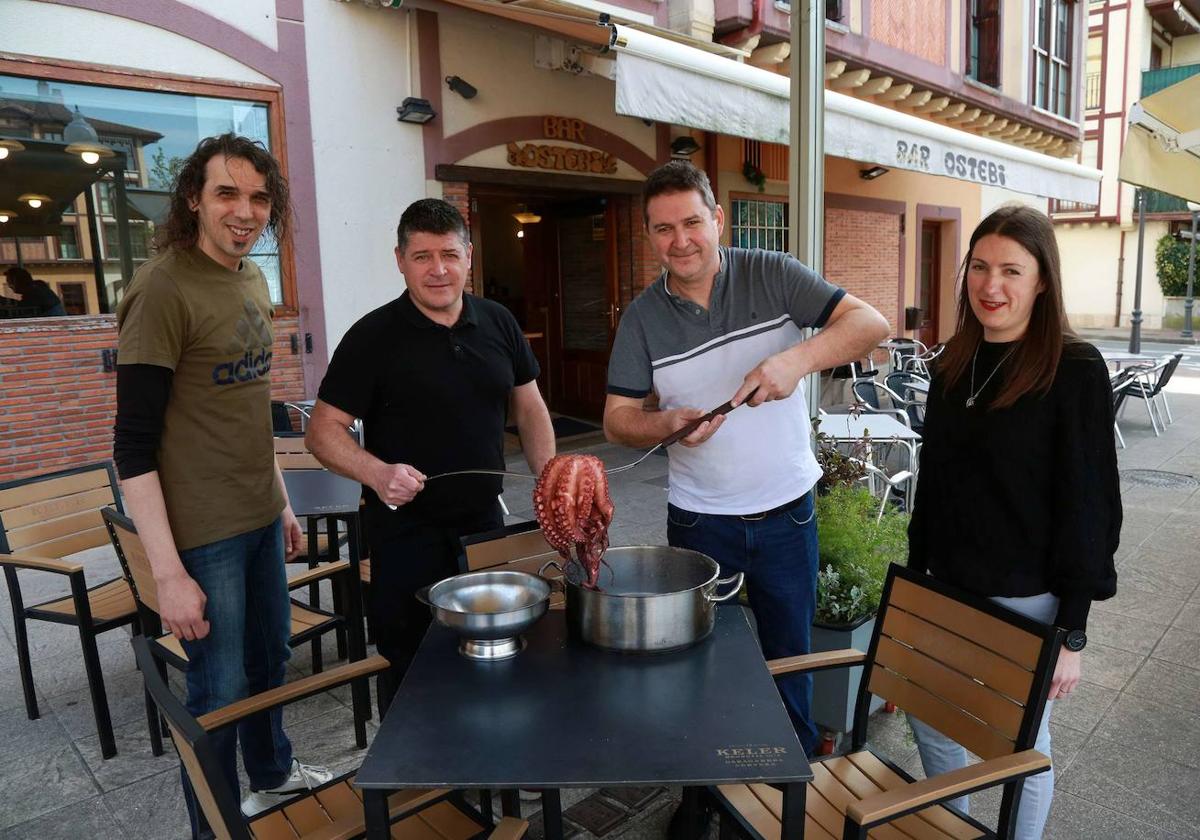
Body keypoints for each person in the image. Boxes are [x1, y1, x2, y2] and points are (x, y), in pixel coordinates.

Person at [603, 160, 890, 760]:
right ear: (649, 235)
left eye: (691, 222)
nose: (680, 240)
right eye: (662, 229)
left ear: (717, 219)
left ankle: (795, 773)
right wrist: (666, 425)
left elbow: (870, 323)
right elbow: (616, 420)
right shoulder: (641, 318)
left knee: (791, 659)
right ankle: (707, 788)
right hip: (698, 521)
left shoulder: (772, 273)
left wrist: (794, 362)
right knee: (702, 662)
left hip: (787, 514)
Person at [113, 133, 330, 837]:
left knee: (272, 660)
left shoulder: (251, 279)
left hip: (260, 514)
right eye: (227, 193)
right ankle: (214, 825)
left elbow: (246, 408)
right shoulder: (163, 288)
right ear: (193, 200)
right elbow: (132, 447)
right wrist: (167, 574)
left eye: (259, 197)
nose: (246, 211)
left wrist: (284, 502)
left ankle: (270, 777)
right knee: (220, 686)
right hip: (202, 533)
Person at [906, 205, 1120, 839]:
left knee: (1018, 748)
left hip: (1023, 597)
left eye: (1010, 271)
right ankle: (955, 829)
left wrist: (1071, 634)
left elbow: (1091, 505)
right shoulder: (951, 364)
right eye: (979, 266)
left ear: (1042, 282)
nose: (990, 286)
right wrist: (915, 587)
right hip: (946, 585)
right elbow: (934, 488)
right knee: (929, 719)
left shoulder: (1074, 370)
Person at [306, 198, 555, 713]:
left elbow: (529, 407)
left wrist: (551, 479)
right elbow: (322, 432)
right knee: (413, 660)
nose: (438, 270)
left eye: (448, 254)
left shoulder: (499, 322)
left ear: (469, 256)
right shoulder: (372, 337)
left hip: (485, 525)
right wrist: (377, 472)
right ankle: (420, 781)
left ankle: (495, 762)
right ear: (400, 260)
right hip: (405, 534)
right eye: (422, 256)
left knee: (498, 652)